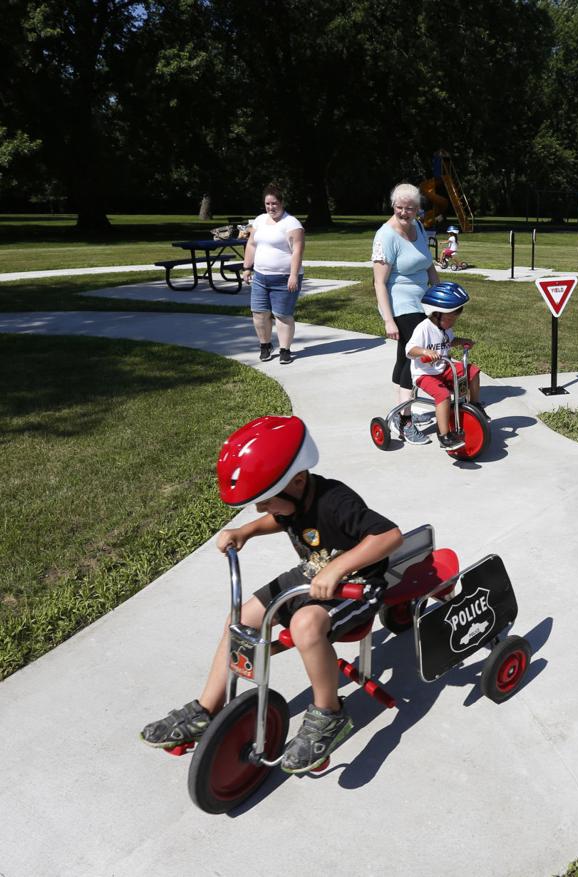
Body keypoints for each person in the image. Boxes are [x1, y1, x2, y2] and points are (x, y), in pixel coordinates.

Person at [139, 415, 404, 773]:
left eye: (266, 501)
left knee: (306, 624)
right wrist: (245, 531)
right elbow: (281, 518)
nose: (263, 510)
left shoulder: (335, 500)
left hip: (356, 586)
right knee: (241, 618)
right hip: (311, 575)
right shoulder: (290, 500)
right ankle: (206, 710)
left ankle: (330, 714)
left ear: (296, 480)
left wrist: (338, 569)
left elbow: (389, 536)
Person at [373, 183, 441, 445]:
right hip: (400, 302)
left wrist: (440, 290)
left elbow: (428, 264)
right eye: (399, 208)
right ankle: (405, 421)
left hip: (423, 300)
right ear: (393, 206)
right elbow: (379, 283)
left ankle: (403, 409)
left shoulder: (419, 227)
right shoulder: (385, 236)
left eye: (410, 208)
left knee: (404, 357)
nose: (404, 213)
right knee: (415, 356)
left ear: (417, 209)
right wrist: (388, 319)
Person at [406, 282, 482, 451]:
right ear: (435, 314)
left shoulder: (445, 329)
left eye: (455, 320)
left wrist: (460, 341)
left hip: (443, 368)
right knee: (443, 396)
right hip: (425, 374)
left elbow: (447, 342)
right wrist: (424, 351)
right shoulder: (423, 328)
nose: (452, 323)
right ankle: (444, 435)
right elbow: (410, 350)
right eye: (450, 319)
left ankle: (475, 406)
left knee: (472, 371)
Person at [241, 183, 305, 364]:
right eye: (268, 204)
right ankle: (265, 345)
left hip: (285, 278)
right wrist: (247, 267)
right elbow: (252, 244)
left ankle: (285, 349)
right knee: (259, 313)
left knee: (282, 315)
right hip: (261, 277)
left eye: (274, 203)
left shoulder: (292, 224)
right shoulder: (259, 220)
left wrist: (293, 275)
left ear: (282, 203)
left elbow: (297, 252)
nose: (271, 207)